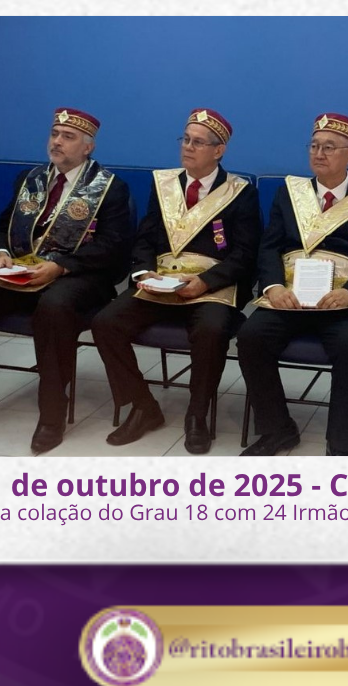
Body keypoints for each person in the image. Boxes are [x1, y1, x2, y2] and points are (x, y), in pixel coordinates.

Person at [0, 108, 133, 454]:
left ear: (88, 147)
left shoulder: (109, 188)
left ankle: (52, 413)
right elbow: (3, 226)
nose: (57, 142)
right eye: (54, 134)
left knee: (54, 305)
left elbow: (113, 247)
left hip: (79, 277)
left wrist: (60, 267)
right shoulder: (30, 179)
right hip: (21, 272)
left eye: (68, 137)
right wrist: (1, 253)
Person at [91, 109, 261, 454]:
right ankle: (143, 406)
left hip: (210, 287)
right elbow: (144, 238)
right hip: (161, 282)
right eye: (185, 139)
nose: (187, 147)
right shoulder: (164, 184)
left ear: (219, 150)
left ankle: (197, 414)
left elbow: (245, 254)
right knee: (105, 323)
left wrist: (205, 282)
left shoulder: (240, 192)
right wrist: (143, 272)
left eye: (198, 142)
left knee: (211, 330)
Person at [236, 113, 348, 457]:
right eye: (314, 146)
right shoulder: (290, 193)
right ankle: (278, 429)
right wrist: (273, 287)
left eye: (329, 147)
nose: (319, 154)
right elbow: (270, 246)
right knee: (250, 336)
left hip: (342, 302)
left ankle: (341, 445)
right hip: (290, 297)